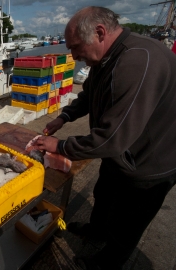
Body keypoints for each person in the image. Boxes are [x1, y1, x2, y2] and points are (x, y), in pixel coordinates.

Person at [35, 6, 176, 270]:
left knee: (128, 223)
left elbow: (113, 138)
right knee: (104, 194)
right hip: (121, 155)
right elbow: (89, 94)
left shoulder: (137, 61)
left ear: (100, 33)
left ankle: (106, 263)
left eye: (76, 47)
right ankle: (96, 230)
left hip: (149, 162)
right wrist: (64, 118)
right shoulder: (105, 58)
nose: (74, 56)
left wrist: (61, 146)